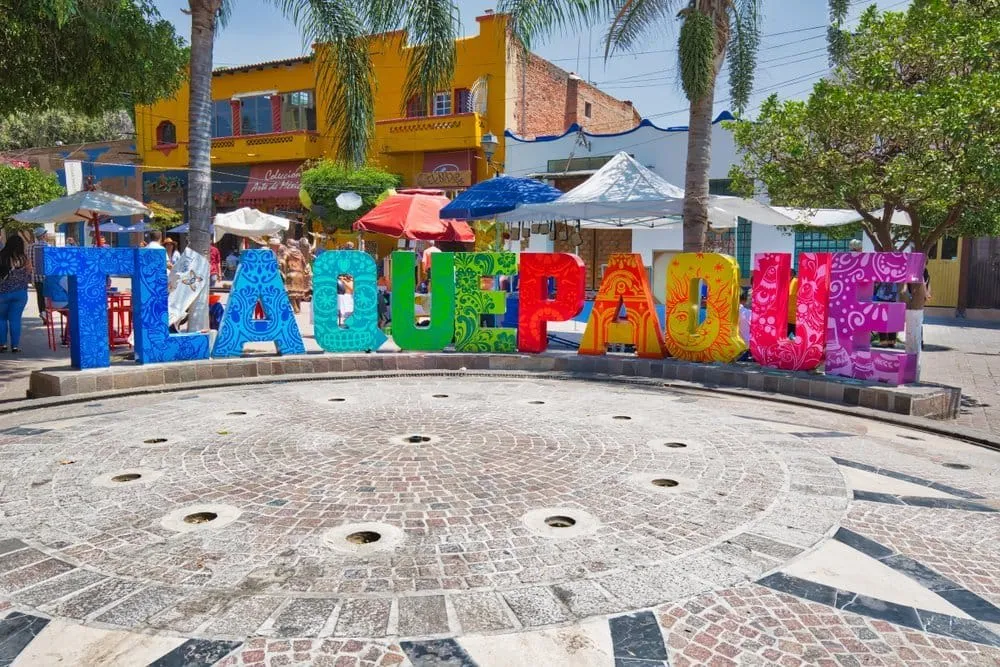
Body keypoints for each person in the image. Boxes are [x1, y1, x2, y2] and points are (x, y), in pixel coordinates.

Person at [0, 236, 30, 353]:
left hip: (2, 293)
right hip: (20, 293)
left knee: (1, 319)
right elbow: (29, 273)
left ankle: (2, 344)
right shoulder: (24, 258)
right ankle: (15, 346)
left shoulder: (1, 256)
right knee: (15, 319)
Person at [280, 239, 311, 314]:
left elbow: (283, 261)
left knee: (291, 292)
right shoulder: (299, 253)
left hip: (291, 273)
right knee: (299, 292)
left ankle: (295, 308)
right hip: (300, 274)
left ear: (288, 244)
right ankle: (298, 308)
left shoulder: (287, 252)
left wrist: (283, 270)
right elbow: (304, 263)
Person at [28, 228, 49, 323]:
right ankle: (47, 314)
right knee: (48, 296)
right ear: (43, 236)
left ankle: (42, 312)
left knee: (40, 296)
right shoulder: (47, 246)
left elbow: (28, 262)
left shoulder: (29, 247)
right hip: (46, 276)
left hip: (35, 276)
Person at [738, 289, 752, 361]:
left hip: (731, 347)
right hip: (745, 347)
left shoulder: (728, 312)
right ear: (745, 300)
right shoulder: (749, 313)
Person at [787, 269, 798, 338]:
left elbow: (790, 294)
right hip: (788, 317)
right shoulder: (788, 282)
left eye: (790, 274)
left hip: (794, 317)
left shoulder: (795, 282)